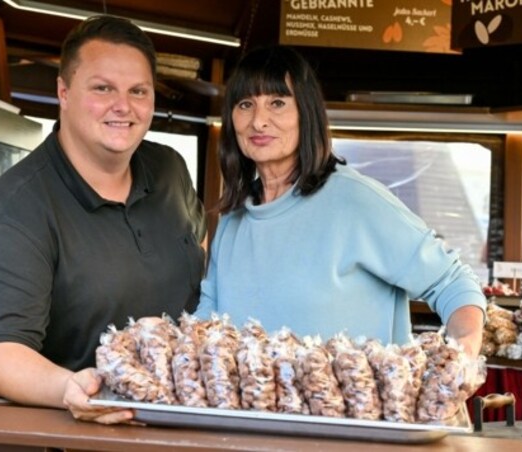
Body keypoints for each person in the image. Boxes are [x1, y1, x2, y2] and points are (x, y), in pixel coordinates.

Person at [0, 15, 205, 424]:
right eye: (103, 88)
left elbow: (200, 254)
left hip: (190, 421)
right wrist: (72, 390)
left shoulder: (169, 168)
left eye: (138, 91)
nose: (123, 106)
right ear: (63, 92)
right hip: (90, 431)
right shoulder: (16, 209)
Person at [195, 46, 486, 357]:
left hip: (356, 405)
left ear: (306, 114)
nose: (258, 121)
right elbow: (209, 320)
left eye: (277, 103)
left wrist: (462, 354)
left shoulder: (356, 201)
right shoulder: (233, 221)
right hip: (247, 405)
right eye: (245, 104)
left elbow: (451, 281)